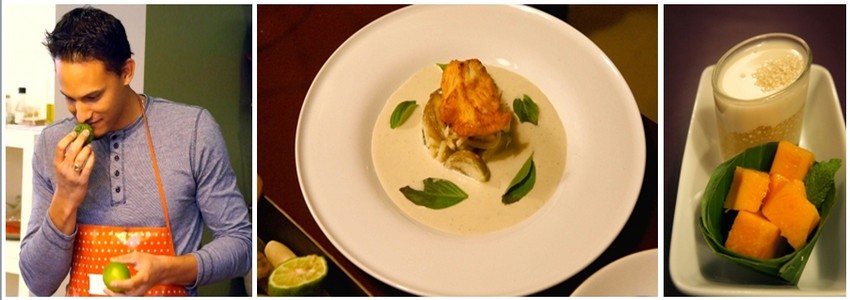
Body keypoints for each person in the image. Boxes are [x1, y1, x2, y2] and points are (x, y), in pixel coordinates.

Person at [19, 6, 252, 296]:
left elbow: (241, 244)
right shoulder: (51, 145)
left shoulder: (193, 131)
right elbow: (38, 283)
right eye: (70, 99)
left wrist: (168, 269)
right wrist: (65, 197)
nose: (80, 115)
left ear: (127, 72)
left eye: (93, 97)